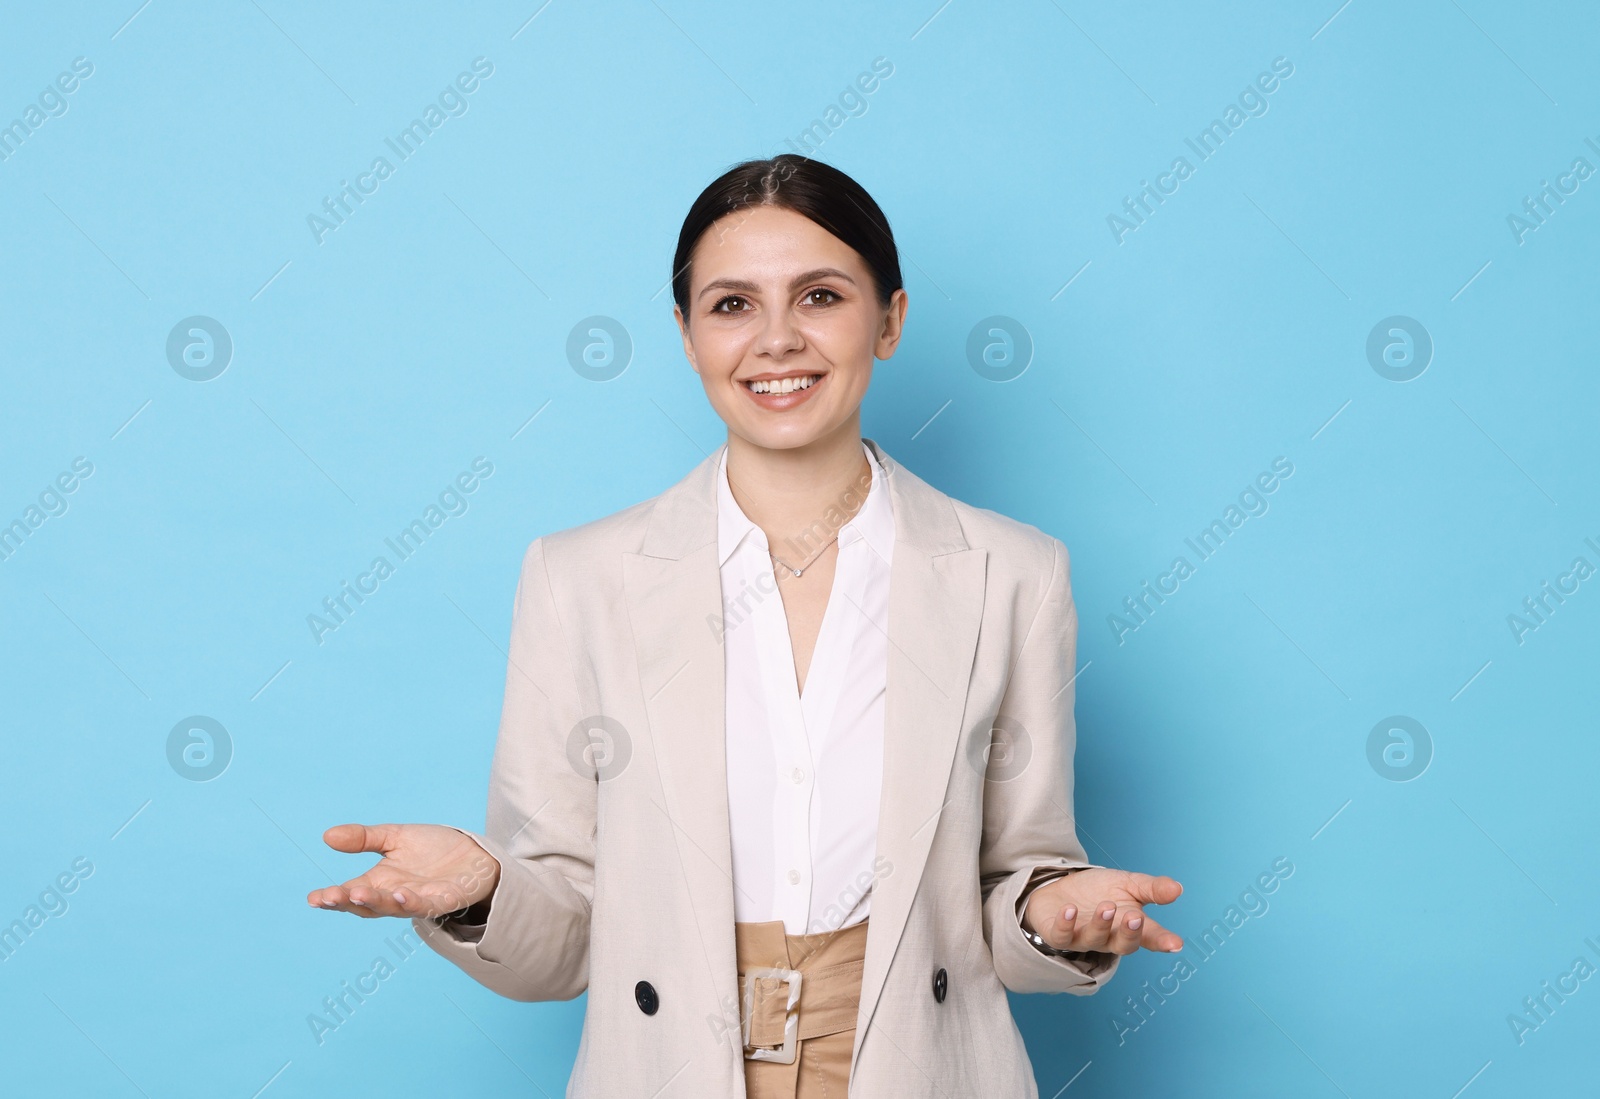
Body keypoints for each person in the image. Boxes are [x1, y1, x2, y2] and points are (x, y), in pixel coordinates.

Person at [308, 154, 1184, 1098]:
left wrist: (1058, 910)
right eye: (731, 305)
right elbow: (559, 942)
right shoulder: (578, 578)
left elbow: (1016, 874)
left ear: (888, 319)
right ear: (685, 334)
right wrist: (484, 889)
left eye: (819, 296)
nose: (776, 340)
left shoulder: (1015, 572)